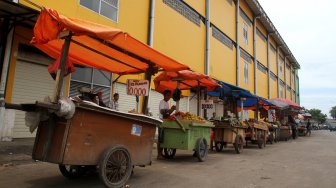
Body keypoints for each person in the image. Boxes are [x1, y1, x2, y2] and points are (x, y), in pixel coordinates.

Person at [157, 90, 176, 160]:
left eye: (169, 96)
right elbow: (162, 112)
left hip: (165, 122)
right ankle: (159, 155)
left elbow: (168, 114)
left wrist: (172, 110)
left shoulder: (167, 103)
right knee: (160, 138)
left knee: (163, 138)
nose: (169, 97)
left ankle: (161, 154)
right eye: (167, 95)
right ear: (164, 95)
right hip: (161, 122)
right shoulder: (162, 102)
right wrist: (170, 110)